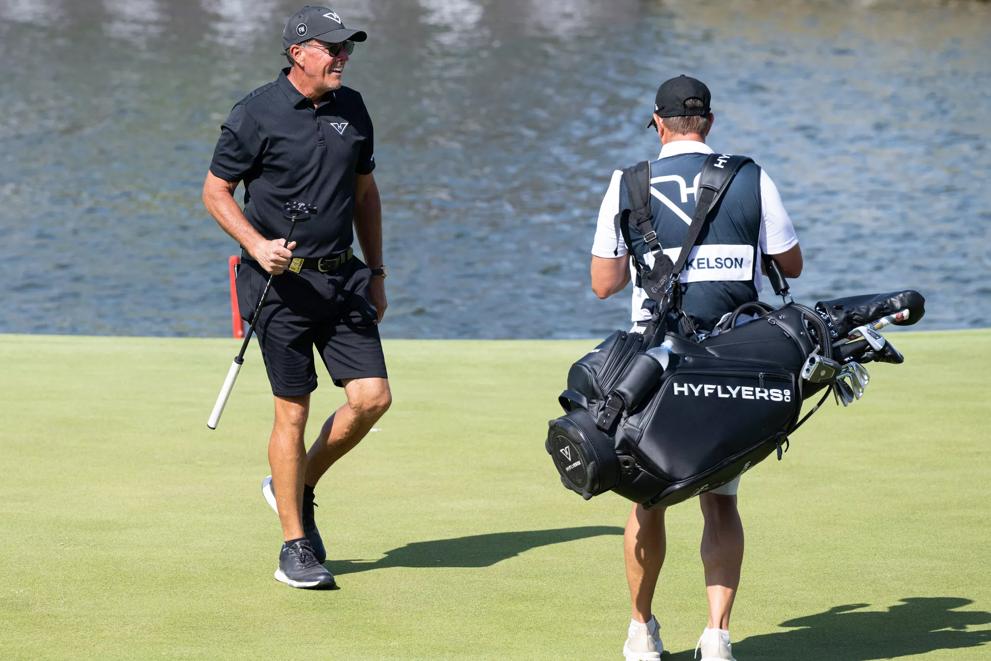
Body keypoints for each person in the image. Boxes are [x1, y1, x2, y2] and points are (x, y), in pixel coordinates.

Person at [589, 75, 803, 660]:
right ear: (708, 122)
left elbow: (603, 284)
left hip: (653, 372)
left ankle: (641, 633)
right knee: (722, 501)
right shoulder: (750, 175)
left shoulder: (627, 182)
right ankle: (717, 638)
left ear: (658, 123)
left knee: (647, 499)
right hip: (732, 364)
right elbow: (792, 263)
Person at [202, 5, 391, 590]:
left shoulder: (352, 108)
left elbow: (365, 194)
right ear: (298, 54)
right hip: (278, 287)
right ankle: (294, 543)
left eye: (347, 48)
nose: (342, 57)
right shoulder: (254, 114)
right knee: (294, 410)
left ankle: (295, 484)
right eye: (331, 48)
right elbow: (215, 192)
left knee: (372, 398)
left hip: (342, 279)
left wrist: (377, 271)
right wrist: (257, 245)